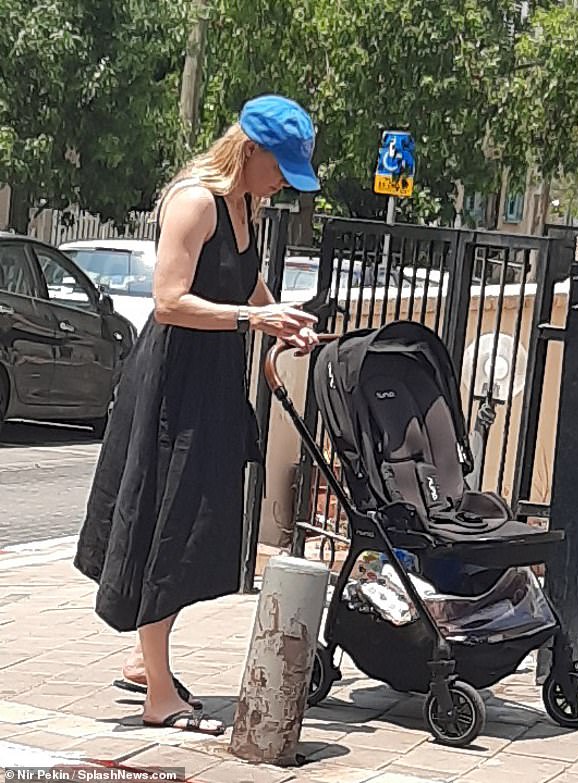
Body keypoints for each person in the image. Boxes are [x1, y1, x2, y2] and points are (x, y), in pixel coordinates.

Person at [74, 95, 320, 736]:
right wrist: (252, 319)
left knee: (194, 523)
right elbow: (168, 302)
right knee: (168, 519)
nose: (283, 184)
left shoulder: (248, 207)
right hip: (171, 385)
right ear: (251, 149)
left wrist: (280, 319)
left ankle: (142, 659)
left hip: (212, 381)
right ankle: (159, 692)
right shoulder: (193, 201)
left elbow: (243, 286)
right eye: (281, 168)